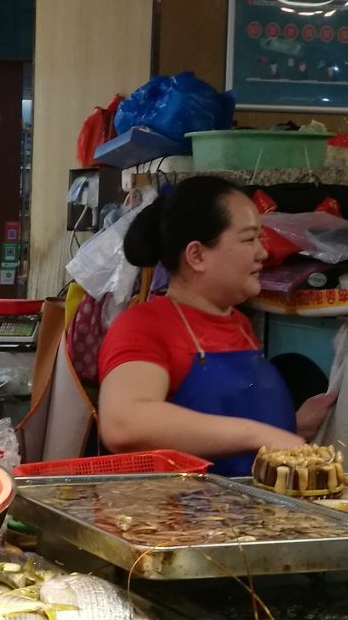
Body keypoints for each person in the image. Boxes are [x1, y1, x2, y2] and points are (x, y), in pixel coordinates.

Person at [96, 177, 335, 475]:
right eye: (249, 239)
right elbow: (124, 423)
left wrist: (294, 426)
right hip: (184, 505)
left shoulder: (240, 324)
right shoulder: (142, 326)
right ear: (197, 255)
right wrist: (259, 435)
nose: (263, 252)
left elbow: (224, 425)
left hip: (254, 503)